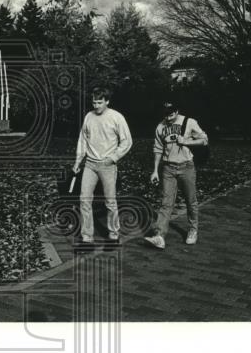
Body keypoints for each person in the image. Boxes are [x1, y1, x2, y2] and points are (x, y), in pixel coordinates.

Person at [72, 87, 132, 245]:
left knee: (110, 201)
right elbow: (82, 140)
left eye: (100, 102)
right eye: (94, 102)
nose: (96, 105)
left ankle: (113, 232)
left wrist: (113, 158)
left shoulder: (116, 117)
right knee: (84, 199)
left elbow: (127, 141)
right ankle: (87, 235)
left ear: (107, 101)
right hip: (90, 164)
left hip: (107, 165)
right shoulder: (89, 117)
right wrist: (78, 161)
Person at [144, 101, 208, 248]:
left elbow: (204, 140)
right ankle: (159, 236)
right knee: (166, 203)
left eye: (171, 113)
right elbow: (158, 148)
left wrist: (185, 141)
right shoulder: (160, 126)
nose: (168, 116)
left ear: (177, 111)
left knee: (191, 201)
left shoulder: (189, 122)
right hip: (168, 169)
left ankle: (193, 230)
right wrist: (155, 171)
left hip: (186, 167)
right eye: (166, 113)